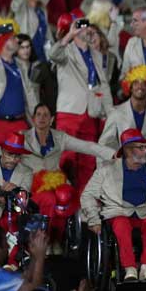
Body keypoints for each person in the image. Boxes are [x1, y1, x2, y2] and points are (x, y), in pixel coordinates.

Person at [82, 129, 146, 281]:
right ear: (127, 149)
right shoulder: (106, 170)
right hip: (118, 212)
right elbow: (87, 195)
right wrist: (93, 218)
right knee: (121, 224)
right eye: (141, 147)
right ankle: (130, 268)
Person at [48, 17, 113, 185]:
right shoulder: (66, 51)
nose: (86, 29)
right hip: (70, 113)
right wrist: (70, 34)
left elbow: (103, 84)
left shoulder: (96, 54)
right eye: (80, 26)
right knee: (66, 159)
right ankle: (62, 203)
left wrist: (110, 113)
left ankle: (83, 204)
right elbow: (52, 54)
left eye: (87, 26)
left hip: (91, 113)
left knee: (88, 161)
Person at [21, 103, 115, 181]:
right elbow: (9, 157)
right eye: (38, 114)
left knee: (65, 195)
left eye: (46, 115)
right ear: (33, 118)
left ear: (51, 119)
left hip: (54, 182)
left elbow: (86, 146)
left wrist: (112, 154)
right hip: (30, 182)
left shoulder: (60, 137)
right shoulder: (22, 136)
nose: (42, 118)